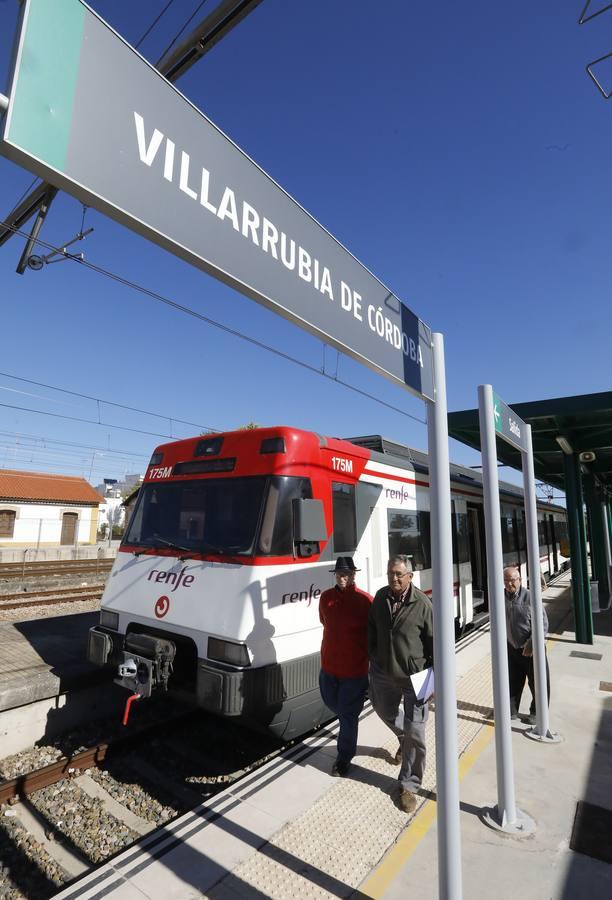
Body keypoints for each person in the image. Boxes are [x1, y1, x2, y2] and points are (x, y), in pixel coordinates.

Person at [368, 555, 433, 815]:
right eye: (390, 573)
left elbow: (435, 642)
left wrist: (434, 680)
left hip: (416, 676)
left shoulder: (423, 604)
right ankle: (404, 738)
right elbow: (371, 628)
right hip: (384, 672)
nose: (393, 578)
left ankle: (409, 785)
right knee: (382, 709)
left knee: (416, 732)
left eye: (398, 574)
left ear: (410, 577)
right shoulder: (380, 598)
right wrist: (373, 655)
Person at [319, 556, 373, 776]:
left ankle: (343, 758)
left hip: (354, 671)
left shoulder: (365, 601)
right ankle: (348, 727)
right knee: (335, 705)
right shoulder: (326, 598)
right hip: (329, 668)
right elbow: (324, 622)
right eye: (339, 574)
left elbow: (373, 633)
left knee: (348, 717)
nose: (342, 578)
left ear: (353, 575)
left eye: (346, 574)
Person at [503, 565, 550, 724]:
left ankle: (537, 713)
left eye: (513, 580)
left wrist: (532, 644)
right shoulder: (501, 597)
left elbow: (543, 624)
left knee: (538, 682)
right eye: (506, 581)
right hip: (512, 648)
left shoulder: (530, 597)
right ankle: (511, 711)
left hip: (531, 649)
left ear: (520, 580)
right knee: (512, 681)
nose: (510, 584)